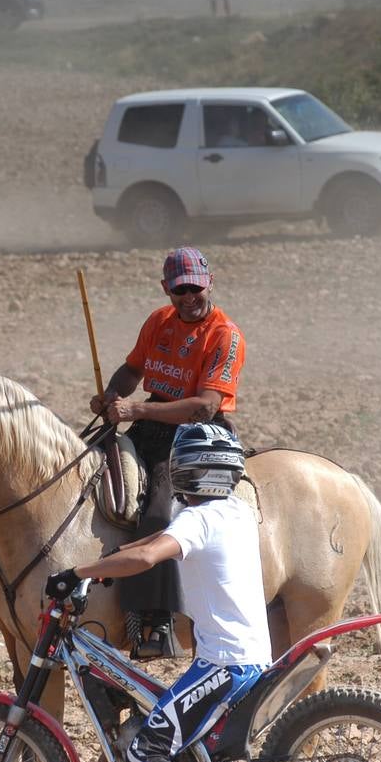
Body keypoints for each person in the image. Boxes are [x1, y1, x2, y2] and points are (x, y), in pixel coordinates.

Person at [45, 423, 266, 762]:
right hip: (244, 660)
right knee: (170, 733)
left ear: (197, 472)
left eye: (179, 464)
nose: (173, 472)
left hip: (223, 667)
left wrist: (77, 572)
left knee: (145, 750)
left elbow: (148, 559)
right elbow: (146, 548)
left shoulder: (198, 519)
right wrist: (107, 568)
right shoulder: (236, 512)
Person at [89, 246, 245, 659]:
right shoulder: (159, 321)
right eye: (180, 291)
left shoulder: (224, 335)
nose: (190, 297)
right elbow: (132, 370)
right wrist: (111, 395)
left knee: (158, 512)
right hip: (151, 423)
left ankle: (155, 620)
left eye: (195, 288)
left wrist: (135, 408)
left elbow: (206, 405)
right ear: (166, 290)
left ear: (209, 282)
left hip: (197, 439)